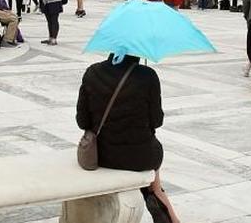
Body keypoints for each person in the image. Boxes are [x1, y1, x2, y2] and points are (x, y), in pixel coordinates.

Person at [76, 54, 180, 223]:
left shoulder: (92, 73)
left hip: (101, 155)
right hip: (141, 157)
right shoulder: (148, 76)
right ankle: (162, 207)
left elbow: (82, 121)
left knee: (137, 152)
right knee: (153, 181)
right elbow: (157, 121)